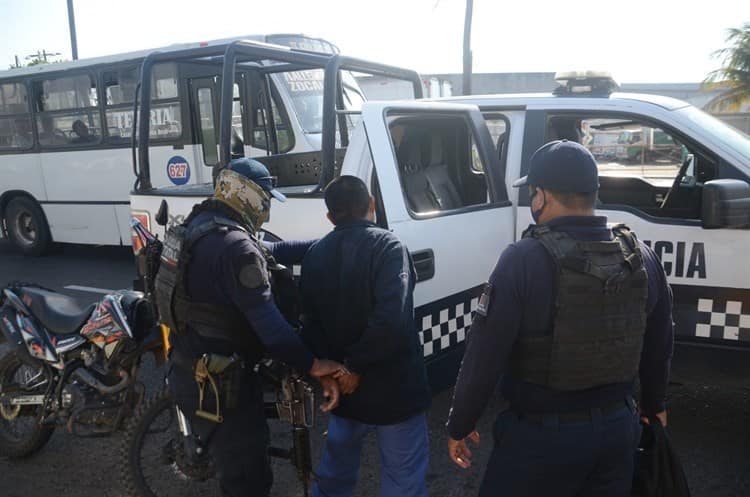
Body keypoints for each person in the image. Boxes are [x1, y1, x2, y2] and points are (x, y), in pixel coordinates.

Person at [446, 140, 674, 497]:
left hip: (540, 440)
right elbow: (659, 342)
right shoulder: (640, 255)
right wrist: (655, 406)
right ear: (594, 192)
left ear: (542, 196)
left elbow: (484, 354)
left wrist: (460, 424)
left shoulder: (523, 259)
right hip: (617, 430)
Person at [154, 157, 343, 497]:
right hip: (221, 386)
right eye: (266, 200)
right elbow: (271, 328)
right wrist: (314, 365)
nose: (268, 211)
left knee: (236, 469)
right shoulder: (235, 248)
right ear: (248, 196)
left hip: (189, 367)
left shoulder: (201, 226)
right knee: (248, 480)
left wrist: (333, 243)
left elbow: (272, 249)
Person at [299, 175, 431, 497]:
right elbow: (390, 320)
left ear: (330, 217)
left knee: (334, 473)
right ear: (371, 205)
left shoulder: (315, 254)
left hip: (344, 390)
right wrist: (354, 366)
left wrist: (336, 372)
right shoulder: (388, 246)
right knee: (403, 480)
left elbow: (309, 323)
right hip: (394, 391)